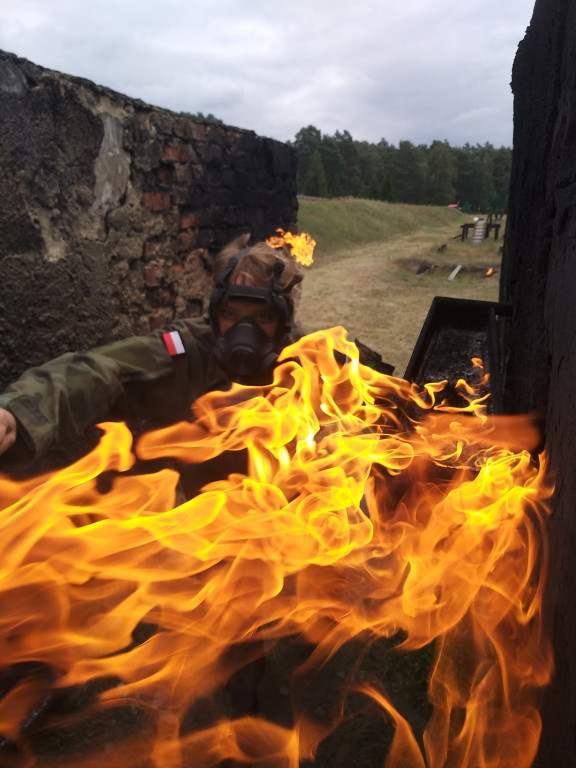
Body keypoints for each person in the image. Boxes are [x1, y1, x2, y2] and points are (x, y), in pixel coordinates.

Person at [0, 234, 305, 474]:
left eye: (262, 317)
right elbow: (101, 370)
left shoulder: (309, 360)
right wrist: (17, 413)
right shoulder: (187, 349)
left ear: (283, 320)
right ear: (214, 312)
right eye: (231, 313)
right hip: (212, 527)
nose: (244, 333)